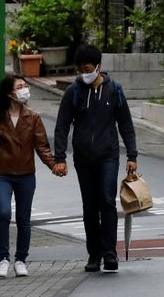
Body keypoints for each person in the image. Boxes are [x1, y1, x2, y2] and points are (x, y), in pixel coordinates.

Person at [53, 43, 138, 273]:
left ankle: (110, 252)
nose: (84, 73)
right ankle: (94, 254)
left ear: (98, 66)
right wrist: (59, 157)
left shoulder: (115, 90)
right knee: (89, 205)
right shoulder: (74, 91)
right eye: (80, 69)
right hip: (83, 157)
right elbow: (61, 126)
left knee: (107, 201)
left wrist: (132, 155)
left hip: (108, 155)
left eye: (87, 68)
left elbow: (126, 125)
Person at [0, 75, 60, 278]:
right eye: (20, 86)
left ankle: (21, 259)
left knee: (23, 219)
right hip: (2, 175)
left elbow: (42, 147)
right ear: (10, 94)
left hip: (26, 175)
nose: (25, 89)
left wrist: (53, 165)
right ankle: (3, 258)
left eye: (25, 86)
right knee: (3, 213)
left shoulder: (33, 117)